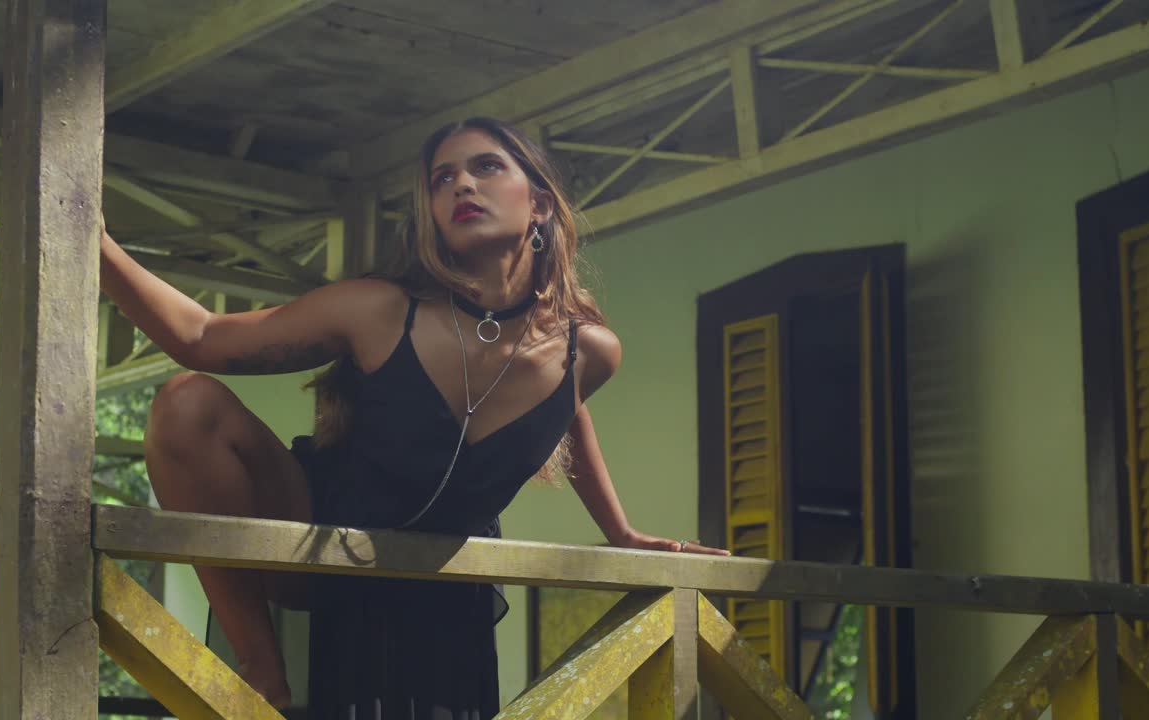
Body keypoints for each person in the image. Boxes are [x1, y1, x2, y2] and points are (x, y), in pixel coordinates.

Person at [99, 116, 727, 716]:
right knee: (185, 405)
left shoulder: (585, 352)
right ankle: (262, 668)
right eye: (442, 179)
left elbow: (567, 410)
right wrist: (95, 244)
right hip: (314, 544)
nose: (462, 184)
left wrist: (619, 531)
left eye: (485, 167)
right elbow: (201, 334)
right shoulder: (379, 310)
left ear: (538, 204)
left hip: (448, 586)